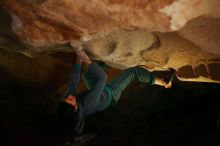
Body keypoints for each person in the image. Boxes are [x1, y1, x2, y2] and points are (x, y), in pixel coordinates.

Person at [58, 49, 174, 138]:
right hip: (110, 95)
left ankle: (113, 61)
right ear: (75, 108)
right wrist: (87, 61)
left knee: (86, 75)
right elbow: (103, 78)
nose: (69, 96)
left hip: (97, 93)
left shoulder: (70, 100)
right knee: (132, 72)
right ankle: (163, 82)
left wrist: (79, 59)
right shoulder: (88, 103)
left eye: (66, 98)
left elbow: (73, 82)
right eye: (69, 100)